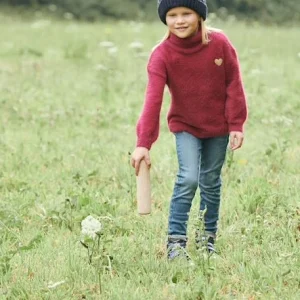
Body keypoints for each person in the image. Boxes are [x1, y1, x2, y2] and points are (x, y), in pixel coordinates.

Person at [131, 0, 247, 260]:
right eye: (172, 15)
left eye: (186, 13)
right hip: (186, 126)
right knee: (189, 178)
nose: (179, 20)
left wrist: (236, 123)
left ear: (199, 16)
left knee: (210, 183)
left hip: (218, 127)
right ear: (165, 18)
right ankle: (175, 243)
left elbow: (233, 83)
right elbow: (153, 100)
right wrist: (143, 143)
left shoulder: (219, 43)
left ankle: (207, 243)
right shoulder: (162, 54)